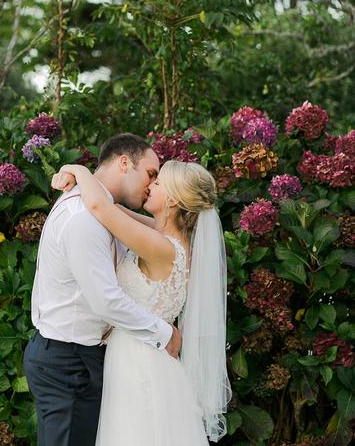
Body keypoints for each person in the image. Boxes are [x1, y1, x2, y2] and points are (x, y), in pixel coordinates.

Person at [52, 158, 232, 446]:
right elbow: (117, 210)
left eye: (158, 182)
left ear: (172, 200)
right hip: (149, 355)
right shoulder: (169, 238)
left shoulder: (161, 247)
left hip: (139, 359)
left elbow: (101, 208)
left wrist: (79, 170)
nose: (150, 185)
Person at [23, 133, 182, 446]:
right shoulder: (83, 218)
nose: (151, 184)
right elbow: (106, 301)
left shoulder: (104, 211)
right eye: (150, 174)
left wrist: (78, 170)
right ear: (124, 163)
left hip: (87, 359)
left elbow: (163, 232)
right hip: (66, 361)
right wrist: (164, 334)